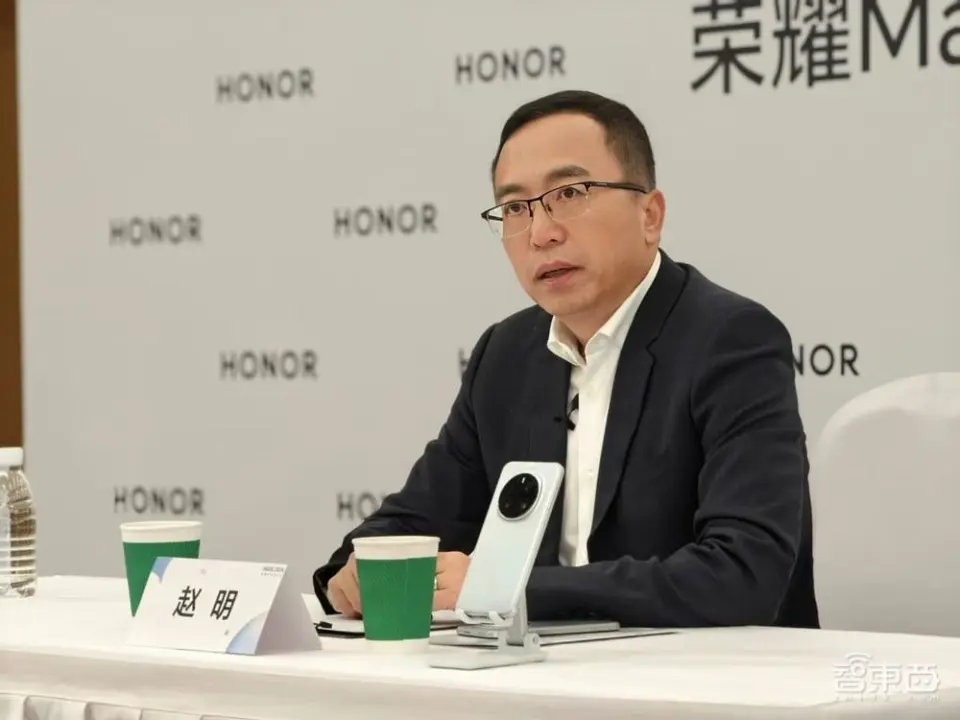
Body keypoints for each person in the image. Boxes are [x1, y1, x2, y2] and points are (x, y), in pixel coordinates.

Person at [313, 90, 819, 629]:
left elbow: (743, 575)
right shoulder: (506, 354)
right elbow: (416, 517)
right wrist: (356, 568)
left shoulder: (731, 340)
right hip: (545, 673)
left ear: (650, 215)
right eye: (515, 208)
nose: (541, 233)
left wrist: (504, 587)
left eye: (571, 193)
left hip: (709, 673)